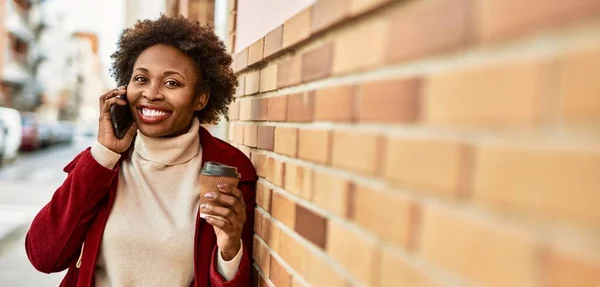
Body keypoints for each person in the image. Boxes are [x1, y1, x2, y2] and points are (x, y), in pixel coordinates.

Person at [25, 15, 257, 287]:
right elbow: (44, 256)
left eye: (172, 83)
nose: (151, 93)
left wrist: (230, 250)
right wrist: (102, 156)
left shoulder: (230, 171)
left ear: (201, 97)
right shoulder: (105, 163)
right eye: (141, 79)